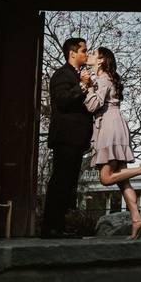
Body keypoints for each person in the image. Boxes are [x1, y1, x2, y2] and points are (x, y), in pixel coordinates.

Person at [84, 46, 141, 239]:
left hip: (109, 128)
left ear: (102, 60)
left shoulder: (103, 79)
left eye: (93, 54)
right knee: (122, 181)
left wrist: (87, 87)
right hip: (115, 124)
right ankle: (137, 220)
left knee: (105, 178)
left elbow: (93, 106)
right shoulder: (107, 79)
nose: (89, 56)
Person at [41, 37, 94, 238]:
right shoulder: (62, 75)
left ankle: (59, 226)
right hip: (65, 137)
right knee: (60, 182)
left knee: (68, 184)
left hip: (77, 138)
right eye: (83, 51)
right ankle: (50, 228)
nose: (86, 54)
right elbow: (62, 101)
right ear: (72, 53)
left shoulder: (78, 75)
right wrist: (81, 86)